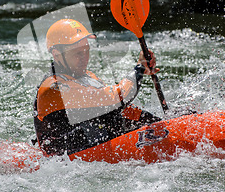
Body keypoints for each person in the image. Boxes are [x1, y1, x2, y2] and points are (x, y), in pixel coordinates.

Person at [33, 18, 162, 156]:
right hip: (65, 163)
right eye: (78, 53)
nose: (85, 57)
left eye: (86, 50)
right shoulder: (53, 88)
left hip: (94, 147)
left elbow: (118, 111)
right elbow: (116, 98)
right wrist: (140, 68)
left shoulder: (88, 77)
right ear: (57, 54)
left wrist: (155, 122)